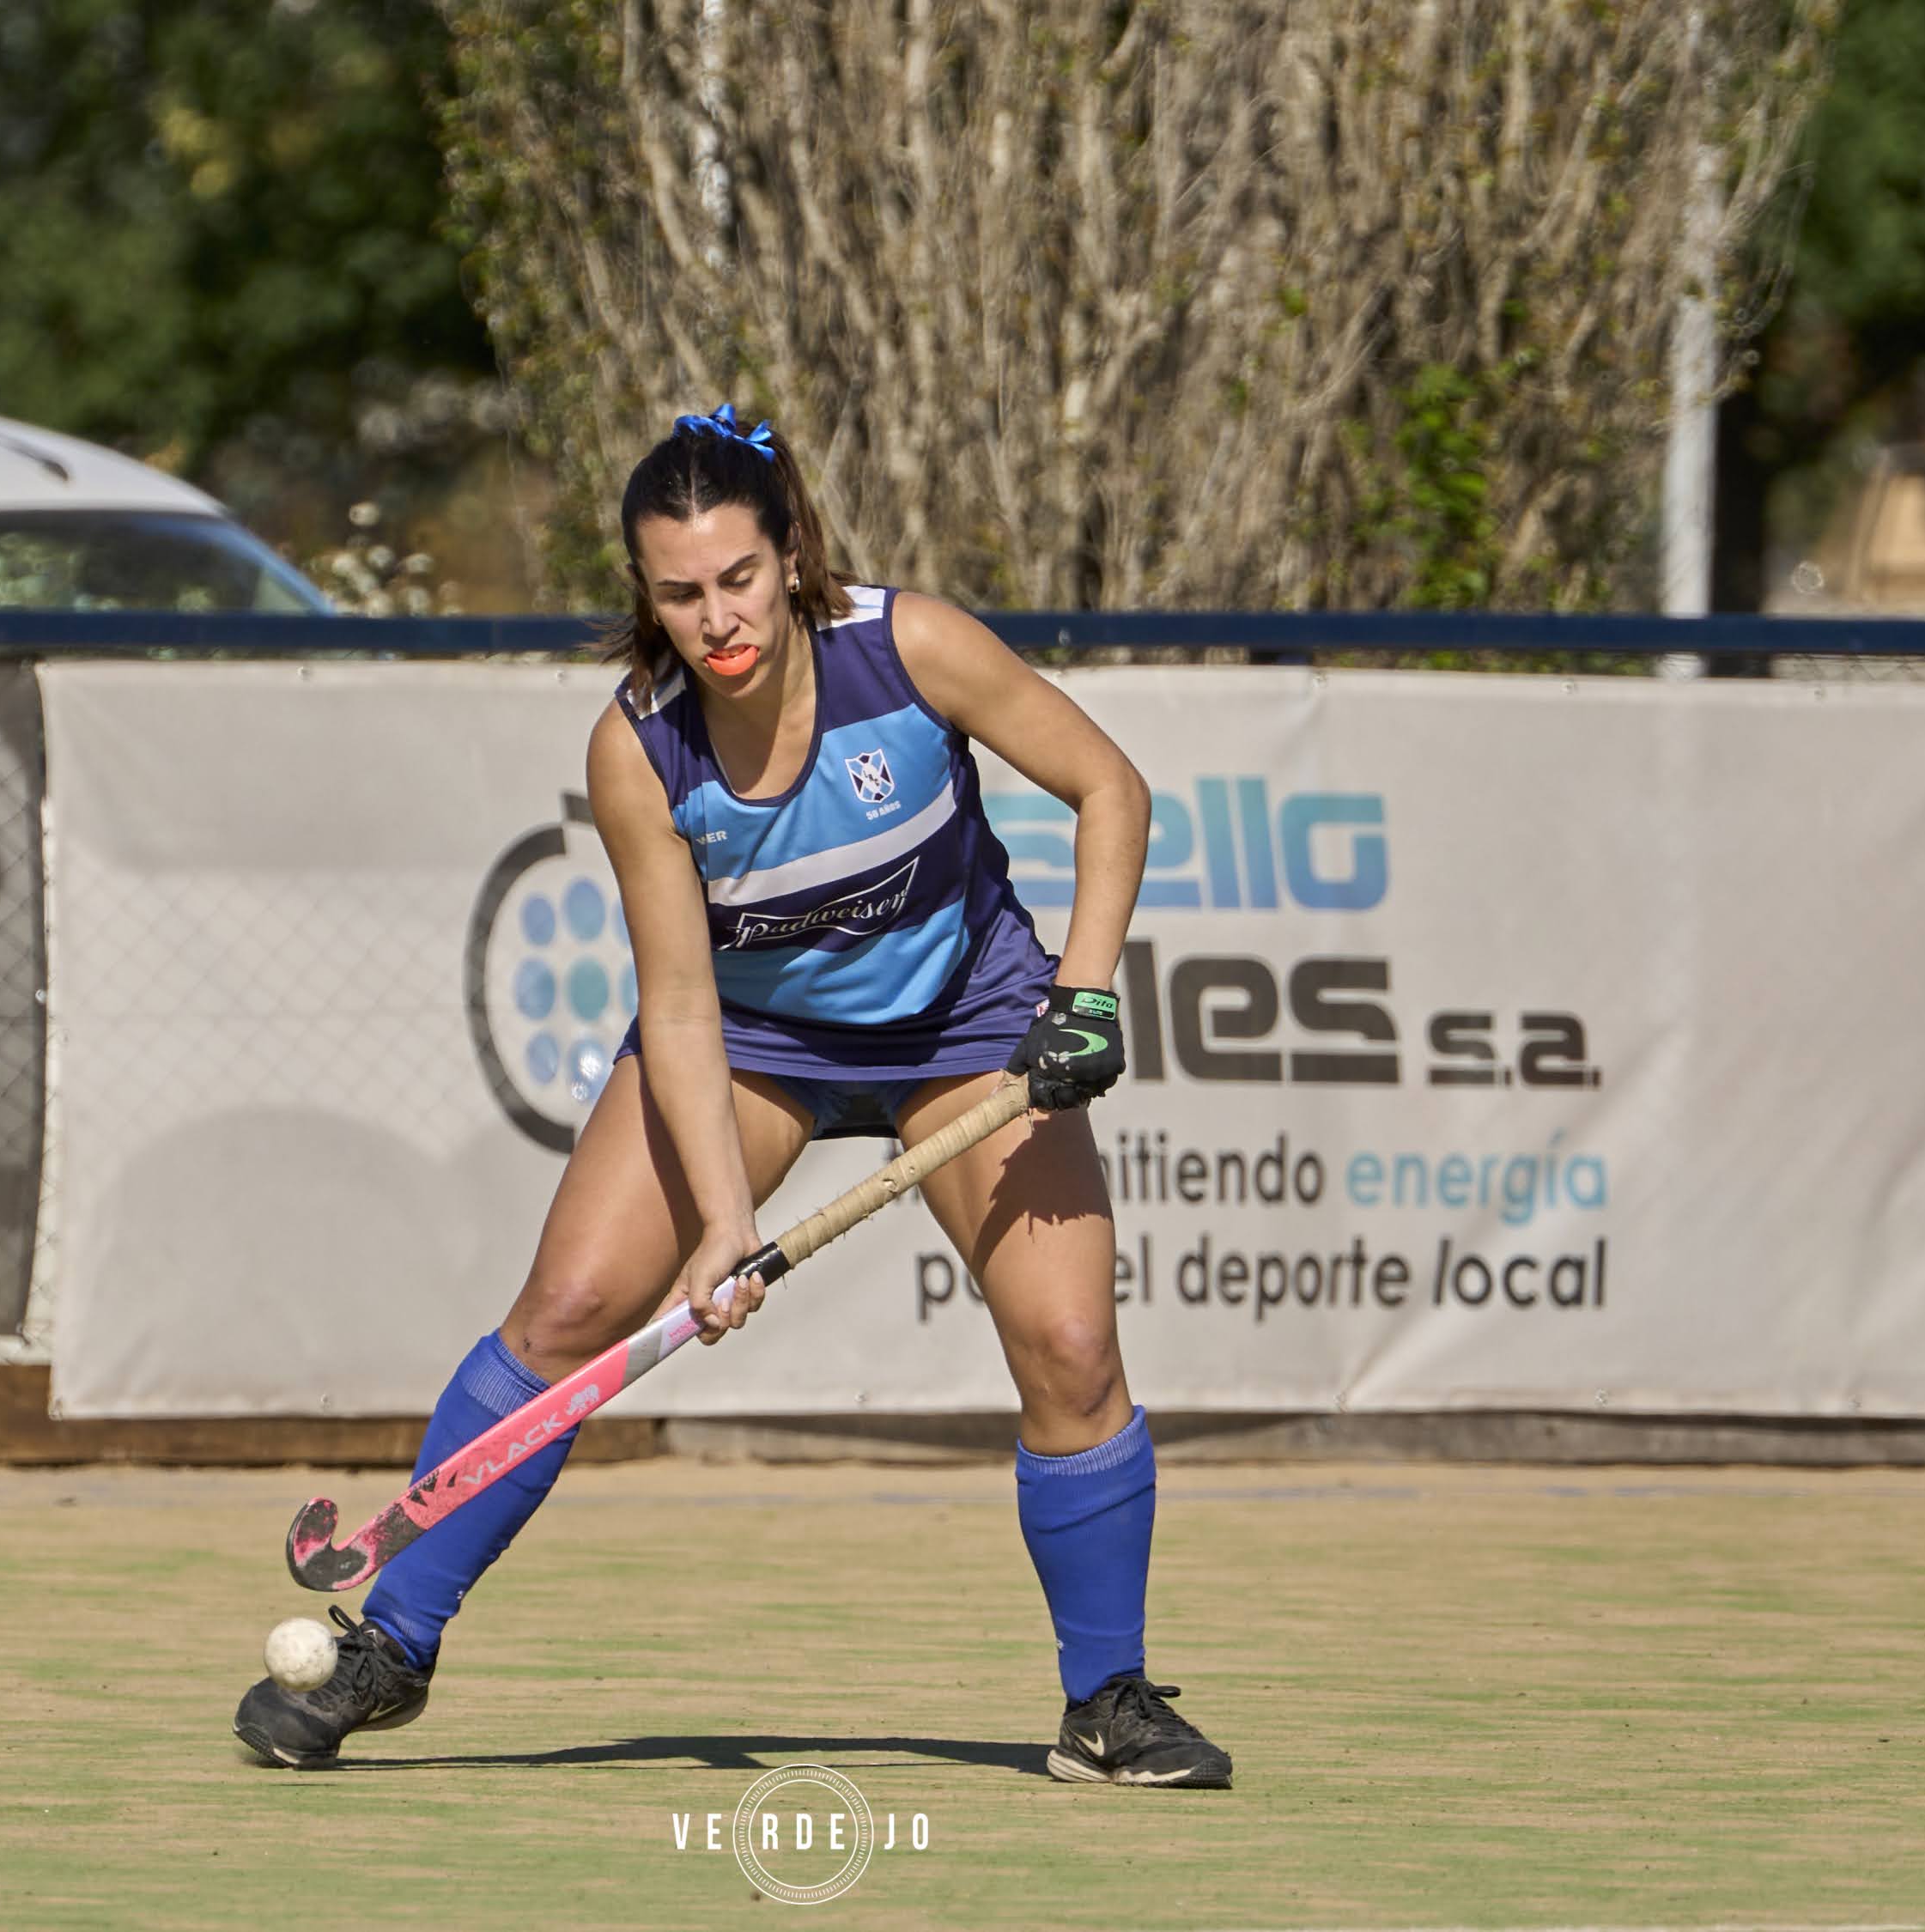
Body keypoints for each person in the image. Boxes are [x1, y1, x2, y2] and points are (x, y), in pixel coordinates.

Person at [234, 405, 1232, 1789]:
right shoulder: (641, 747)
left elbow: (1107, 787)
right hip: (760, 1041)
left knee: (1069, 1348)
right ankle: (390, 1642)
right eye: (679, 592)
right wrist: (716, 1224)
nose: (718, 619)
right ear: (643, 595)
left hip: (969, 1024)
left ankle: (1105, 1698)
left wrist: (1081, 991)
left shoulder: (913, 648)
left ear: (792, 554)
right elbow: (685, 1003)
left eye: (739, 578)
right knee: (573, 1307)